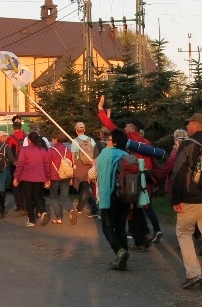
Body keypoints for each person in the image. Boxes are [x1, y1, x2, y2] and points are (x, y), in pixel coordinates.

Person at [98, 95, 158, 249]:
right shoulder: (146, 142)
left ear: (132, 128)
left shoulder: (129, 138)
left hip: (130, 176)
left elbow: (112, 128)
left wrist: (101, 110)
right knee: (139, 207)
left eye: (127, 126)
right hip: (144, 176)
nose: (124, 128)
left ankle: (138, 239)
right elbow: (153, 160)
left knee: (130, 208)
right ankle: (143, 237)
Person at [171, 113, 202, 293]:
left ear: (195, 125)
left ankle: (193, 273)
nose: (188, 128)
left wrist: (175, 199)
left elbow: (178, 173)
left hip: (190, 198)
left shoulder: (188, 144)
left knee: (184, 233)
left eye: (189, 124)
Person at [96, 128, 131, 271]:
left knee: (107, 227)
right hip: (125, 195)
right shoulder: (125, 154)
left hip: (108, 195)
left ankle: (119, 251)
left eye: (109, 139)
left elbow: (94, 173)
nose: (107, 141)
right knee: (121, 227)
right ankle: (122, 260)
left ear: (114, 142)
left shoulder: (104, 154)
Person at [13, 131, 51, 227]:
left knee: (28, 199)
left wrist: (16, 177)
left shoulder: (25, 150)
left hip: (27, 177)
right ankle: (43, 211)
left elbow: (20, 164)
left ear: (29, 140)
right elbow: (47, 165)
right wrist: (48, 178)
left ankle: (32, 220)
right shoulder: (42, 150)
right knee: (38, 197)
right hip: (40, 177)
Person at [46, 130, 76, 225]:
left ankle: (58, 218)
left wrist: (47, 179)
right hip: (66, 176)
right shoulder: (68, 150)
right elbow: (71, 163)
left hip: (54, 176)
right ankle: (71, 209)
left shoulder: (51, 150)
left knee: (54, 197)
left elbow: (47, 164)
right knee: (64, 196)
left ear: (55, 139)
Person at [71, 121, 99, 217]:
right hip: (90, 164)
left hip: (80, 165)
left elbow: (73, 156)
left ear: (76, 130)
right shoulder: (91, 140)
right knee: (86, 186)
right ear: (84, 130)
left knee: (85, 186)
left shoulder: (75, 141)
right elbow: (95, 153)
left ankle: (93, 208)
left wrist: (73, 167)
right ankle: (80, 206)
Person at [7, 120, 26, 213]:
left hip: (15, 164)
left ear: (13, 128)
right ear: (21, 128)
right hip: (26, 163)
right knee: (25, 185)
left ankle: (19, 206)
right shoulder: (26, 136)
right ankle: (26, 205)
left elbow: (9, 151)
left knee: (16, 185)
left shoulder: (10, 138)